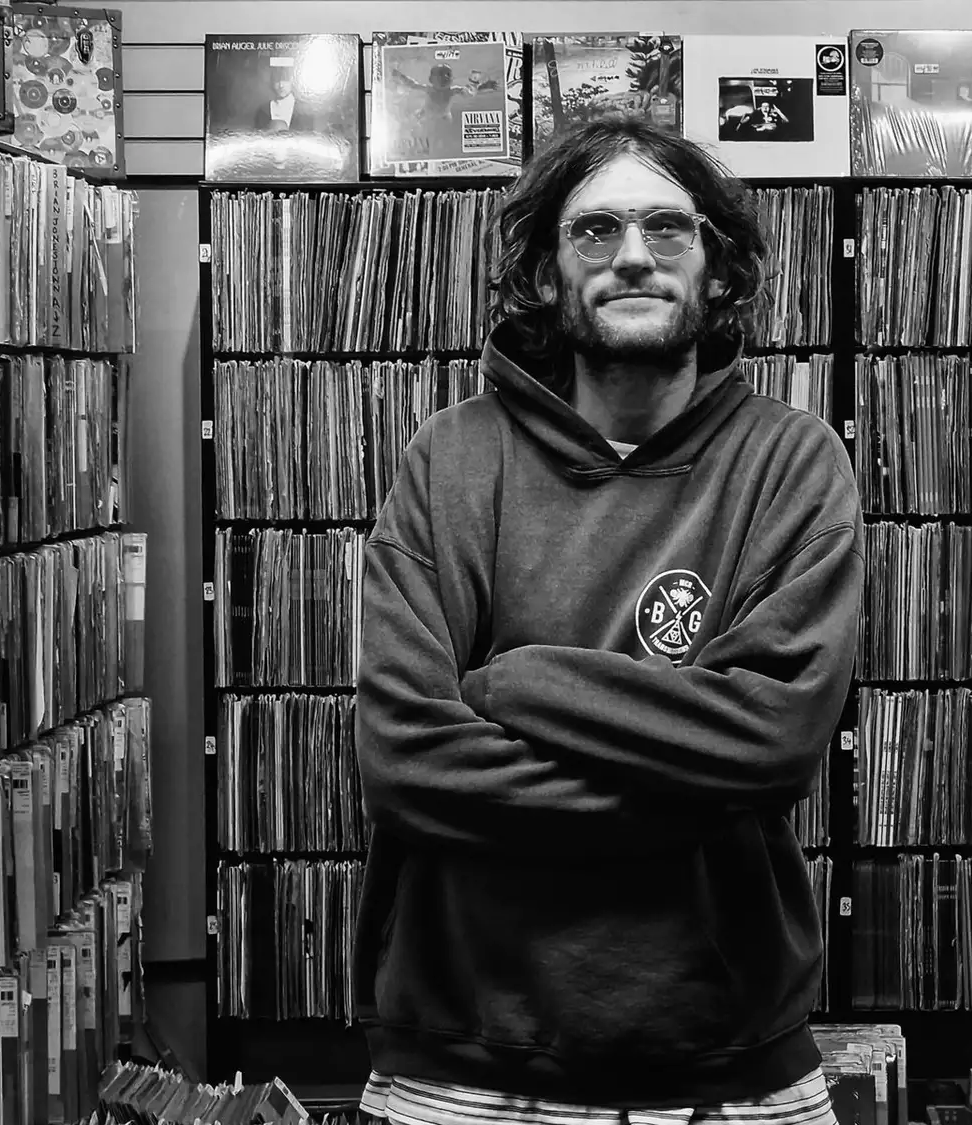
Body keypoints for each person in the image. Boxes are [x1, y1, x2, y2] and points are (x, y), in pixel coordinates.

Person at [354, 117, 865, 1124]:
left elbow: (768, 741)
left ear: (719, 272)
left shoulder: (793, 463)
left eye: (667, 230)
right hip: (459, 1066)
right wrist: (685, 778)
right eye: (595, 232)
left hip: (728, 1066)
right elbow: (407, 758)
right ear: (545, 274)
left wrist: (514, 682)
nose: (632, 255)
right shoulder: (451, 460)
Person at [254, 61, 315, 132]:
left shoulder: (304, 110)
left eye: (285, 80)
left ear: (293, 81)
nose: (281, 85)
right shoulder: (263, 111)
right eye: (277, 80)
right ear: (272, 82)